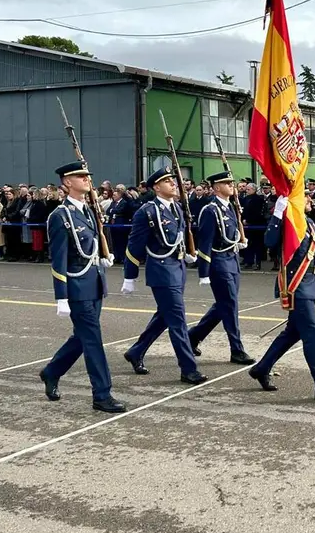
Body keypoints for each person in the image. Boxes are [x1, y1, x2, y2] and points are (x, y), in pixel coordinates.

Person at [39, 162, 125, 413]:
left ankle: (52, 371)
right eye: (80, 176)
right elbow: (59, 259)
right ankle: (102, 394)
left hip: (95, 284)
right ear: (66, 182)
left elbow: (93, 241)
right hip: (77, 288)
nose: (87, 179)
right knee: (93, 341)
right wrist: (61, 297)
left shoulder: (88, 210)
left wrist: (102, 256)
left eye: (87, 175)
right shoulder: (59, 216)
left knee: (82, 337)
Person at [248, 194, 315, 403]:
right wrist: (277, 213)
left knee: (292, 333)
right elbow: (269, 241)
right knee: (312, 333)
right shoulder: (287, 221)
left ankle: (261, 368)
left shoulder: (309, 222)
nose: (309, 198)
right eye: (304, 196)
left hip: (309, 285)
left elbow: (314, 256)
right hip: (295, 286)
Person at [119, 166, 208, 383]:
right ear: (157, 187)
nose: (174, 184)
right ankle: (188, 368)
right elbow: (134, 245)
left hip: (177, 268)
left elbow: (180, 235)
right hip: (161, 271)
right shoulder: (147, 211)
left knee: (164, 316)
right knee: (177, 320)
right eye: (169, 182)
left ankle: (136, 351)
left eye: (174, 181)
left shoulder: (176, 208)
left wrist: (187, 252)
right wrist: (129, 277)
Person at [185, 170, 256, 365]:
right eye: (227, 183)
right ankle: (236, 349)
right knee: (230, 305)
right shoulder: (210, 210)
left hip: (232, 260)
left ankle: (192, 336)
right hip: (219, 262)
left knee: (223, 305)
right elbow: (205, 242)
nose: (231, 186)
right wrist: (204, 271)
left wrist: (239, 241)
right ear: (216, 187)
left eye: (232, 183)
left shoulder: (230, 207)